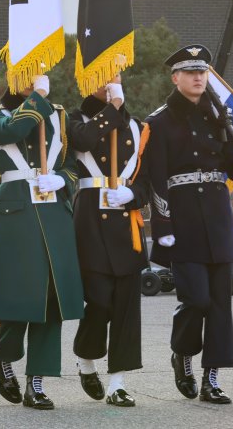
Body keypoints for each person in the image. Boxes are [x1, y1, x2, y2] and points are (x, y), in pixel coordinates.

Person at [145, 45, 233, 404]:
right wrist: (162, 228)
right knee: (197, 299)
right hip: (183, 221)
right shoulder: (158, 121)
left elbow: (230, 164)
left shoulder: (217, 116)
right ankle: (183, 355)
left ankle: (212, 378)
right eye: (190, 71)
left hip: (218, 217)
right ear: (175, 77)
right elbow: (156, 178)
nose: (197, 77)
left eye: (202, 72)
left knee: (221, 302)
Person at [0, 75, 84, 411]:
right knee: (19, 294)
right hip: (15, 209)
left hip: (54, 209)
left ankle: (37, 380)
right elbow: (10, 131)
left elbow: (70, 164)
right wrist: (38, 97)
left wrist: (64, 180)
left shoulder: (58, 114)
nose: (30, 81)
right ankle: (4, 357)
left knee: (52, 299)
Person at [69, 77, 149, 407]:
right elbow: (85, 141)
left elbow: (147, 179)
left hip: (124, 222)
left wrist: (134, 195)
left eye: (113, 79)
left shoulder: (137, 126)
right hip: (90, 220)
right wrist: (112, 110)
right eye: (101, 80)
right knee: (98, 301)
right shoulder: (73, 120)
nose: (109, 85)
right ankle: (86, 359)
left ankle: (118, 382)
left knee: (127, 307)